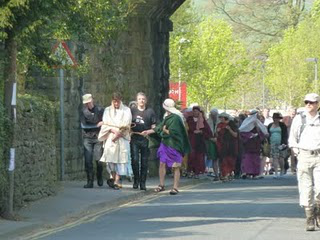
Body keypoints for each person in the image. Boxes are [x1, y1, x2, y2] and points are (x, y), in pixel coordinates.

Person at [142, 98, 191, 195]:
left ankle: (175, 187)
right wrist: (148, 131)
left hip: (175, 145)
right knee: (162, 163)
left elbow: (174, 132)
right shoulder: (167, 116)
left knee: (176, 166)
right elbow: (159, 127)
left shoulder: (176, 118)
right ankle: (161, 185)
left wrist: (165, 131)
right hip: (165, 144)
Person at [289, 93, 320, 231]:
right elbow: (292, 139)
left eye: (312, 102)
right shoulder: (299, 119)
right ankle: (309, 218)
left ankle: (318, 213)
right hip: (304, 156)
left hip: (318, 156)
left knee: (319, 190)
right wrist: (297, 152)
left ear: (317, 104)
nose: (309, 104)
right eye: (306, 102)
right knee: (306, 189)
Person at [98, 92, 132, 190]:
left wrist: (119, 134)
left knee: (121, 160)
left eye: (118, 102)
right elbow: (105, 124)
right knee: (111, 161)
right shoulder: (107, 110)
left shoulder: (126, 110)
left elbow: (127, 125)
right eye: (114, 102)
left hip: (122, 137)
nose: (116, 104)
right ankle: (112, 178)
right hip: (110, 137)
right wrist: (112, 130)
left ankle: (117, 180)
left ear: (120, 100)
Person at [130, 92, 156, 191]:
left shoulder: (150, 111)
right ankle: (136, 180)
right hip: (135, 138)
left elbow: (154, 128)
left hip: (145, 139)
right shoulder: (132, 111)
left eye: (143, 99)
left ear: (146, 100)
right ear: (137, 100)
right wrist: (129, 131)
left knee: (144, 162)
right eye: (140, 99)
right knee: (135, 160)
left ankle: (143, 182)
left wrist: (148, 132)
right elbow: (127, 123)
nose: (141, 101)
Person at [81, 94, 104, 188]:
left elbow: (105, 122)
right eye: (86, 103)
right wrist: (97, 124)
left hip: (98, 137)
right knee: (88, 160)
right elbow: (83, 126)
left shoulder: (99, 110)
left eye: (89, 102)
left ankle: (99, 176)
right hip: (87, 138)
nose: (87, 104)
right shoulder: (83, 111)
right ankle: (90, 181)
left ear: (92, 100)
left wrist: (102, 123)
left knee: (98, 160)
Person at [239, 110, 268, 179]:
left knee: (255, 159)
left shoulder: (258, 123)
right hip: (248, 144)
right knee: (248, 159)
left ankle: (255, 173)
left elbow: (262, 132)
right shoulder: (246, 122)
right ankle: (247, 172)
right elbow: (242, 131)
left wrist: (257, 128)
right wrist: (250, 135)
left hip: (256, 144)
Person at [186, 106, 213, 179]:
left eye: (197, 111)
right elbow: (186, 128)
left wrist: (201, 131)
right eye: (194, 111)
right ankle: (190, 171)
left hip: (200, 142)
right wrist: (192, 131)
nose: (195, 112)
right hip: (191, 141)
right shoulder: (189, 119)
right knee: (191, 156)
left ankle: (197, 172)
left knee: (199, 158)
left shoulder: (202, 120)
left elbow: (208, 131)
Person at [216, 113, 238, 181]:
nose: (221, 119)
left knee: (230, 160)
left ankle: (229, 173)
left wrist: (229, 129)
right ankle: (224, 174)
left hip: (231, 145)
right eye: (220, 118)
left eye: (222, 118)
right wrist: (217, 131)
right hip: (222, 145)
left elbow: (235, 135)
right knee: (223, 161)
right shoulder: (219, 125)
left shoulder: (232, 124)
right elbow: (217, 135)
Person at [267, 113, 288, 178]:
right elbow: (268, 133)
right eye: (275, 118)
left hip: (281, 143)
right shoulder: (270, 125)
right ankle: (276, 172)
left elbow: (285, 134)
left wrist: (284, 143)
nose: (276, 119)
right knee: (274, 158)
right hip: (273, 143)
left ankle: (282, 170)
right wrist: (268, 142)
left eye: (277, 118)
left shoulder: (282, 125)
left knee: (281, 158)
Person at [283, 107, 298, 174]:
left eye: (294, 111)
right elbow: (283, 126)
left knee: (293, 154)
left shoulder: (298, 119)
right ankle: (284, 167)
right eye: (292, 111)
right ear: (289, 112)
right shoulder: (285, 118)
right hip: (286, 138)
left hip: (294, 139)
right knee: (285, 155)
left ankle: (293, 169)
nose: (293, 113)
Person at [207, 108, 220, 181]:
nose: (213, 116)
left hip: (220, 142)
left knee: (221, 158)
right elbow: (206, 132)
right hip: (211, 141)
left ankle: (223, 174)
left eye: (215, 114)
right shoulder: (208, 122)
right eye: (212, 114)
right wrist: (210, 138)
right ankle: (216, 175)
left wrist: (218, 138)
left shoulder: (220, 122)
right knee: (214, 159)